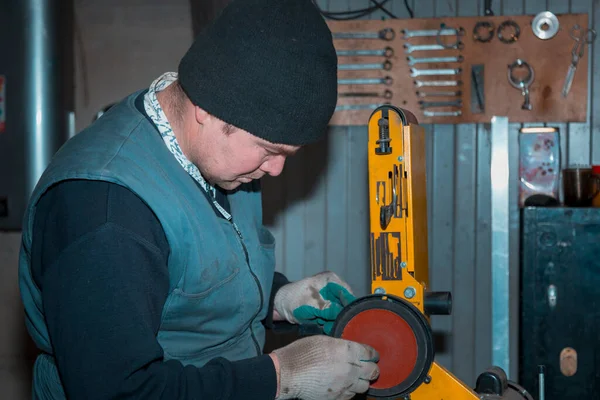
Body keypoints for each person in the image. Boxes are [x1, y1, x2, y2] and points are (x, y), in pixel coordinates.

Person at [18, 0, 380, 399]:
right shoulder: (105, 213)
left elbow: (187, 275)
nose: (276, 170)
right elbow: (122, 392)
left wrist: (280, 298)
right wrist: (281, 376)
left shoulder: (223, 160)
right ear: (206, 107)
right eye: (268, 149)